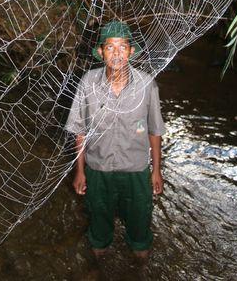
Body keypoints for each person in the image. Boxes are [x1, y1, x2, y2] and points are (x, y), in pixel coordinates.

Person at [65, 20, 166, 261]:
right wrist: (80, 172)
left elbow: (155, 129)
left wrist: (156, 170)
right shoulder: (87, 83)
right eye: (110, 47)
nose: (117, 53)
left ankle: (140, 267)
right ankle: (97, 268)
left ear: (131, 51)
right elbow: (79, 131)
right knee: (98, 234)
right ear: (101, 52)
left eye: (122, 47)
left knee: (140, 235)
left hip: (136, 171)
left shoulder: (147, 85)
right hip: (98, 170)